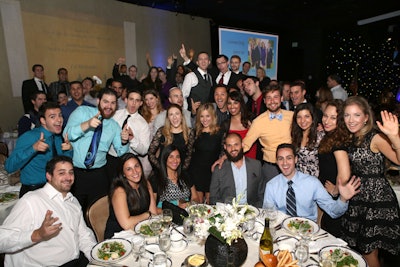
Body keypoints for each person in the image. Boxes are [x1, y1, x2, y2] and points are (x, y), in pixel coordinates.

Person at [0, 156, 96, 267]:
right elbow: (2, 239)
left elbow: (84, 235)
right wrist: (37, 235)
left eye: (71, 172)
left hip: (75, 261)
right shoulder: (32, 201)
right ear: (49, 176)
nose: (68, 177)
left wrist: (96, 257)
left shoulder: (72, 201)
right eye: (61, 173)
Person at [342, 96, 400, 266]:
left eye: (356, 115)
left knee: (368, 253)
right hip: (359, 199)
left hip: (376, 201)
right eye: (347, 115)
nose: (351, 120)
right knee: (360, 251)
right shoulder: (353, 137)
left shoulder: (374, 137)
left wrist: (394, 136)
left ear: (366, 117)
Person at [63, 88, 130, 213]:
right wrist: (87, 124)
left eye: (113, 103)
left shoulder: (114, 126)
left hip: (99, 175)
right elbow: (67, 134)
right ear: (98, 101)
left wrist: (125, 141)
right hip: (77, 174)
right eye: (106, 101)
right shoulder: (82, 112)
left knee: (99, 213)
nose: (109, 106)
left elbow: (122, 153)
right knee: (74, 213)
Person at [263, 143, 360, 222]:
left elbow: (333, 212)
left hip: (307, 232)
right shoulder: (271, 186)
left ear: (296, 159)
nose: (285, 163)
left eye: (289, 158)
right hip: (282, 231)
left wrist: (343, 199)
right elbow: (268, 216)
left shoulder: (312, 183)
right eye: (280, 159)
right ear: (276, 161)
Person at [6, 102, 72, 197]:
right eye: (53, 117)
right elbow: (9, 166)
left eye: (60, 115)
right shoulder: (30, 137)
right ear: (43, 121)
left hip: (54, 189)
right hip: (34, 191)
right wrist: (33, 148)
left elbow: (63, 164)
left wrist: (69, 150)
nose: (59, 120)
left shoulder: (57, 137)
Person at [242, 86, 293, 182]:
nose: (272, 101)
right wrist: (226, 156)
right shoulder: (258, 122)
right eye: (269, 98)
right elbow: (245, 144)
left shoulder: (292, 116)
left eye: (275, 97)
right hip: (271, 168)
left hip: (292, 166)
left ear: (281, 98)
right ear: (264, 101)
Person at [104, 153, 157, 239]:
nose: (135, 171)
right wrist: (147, 215)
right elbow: (126, 224)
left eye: (136, 166)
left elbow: (154, 213)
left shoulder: (146, 183)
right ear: (123, 173)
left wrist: (149, 215)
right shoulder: (119, 191)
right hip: (119, 236)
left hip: (139, 231)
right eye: (129, 169)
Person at [318, 99, 350, 237]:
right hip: (327, 195)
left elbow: (345, 173)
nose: (327, 121)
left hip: (334, 198)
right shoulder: (331, 136)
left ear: (341, 120)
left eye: (333, 118)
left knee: (333, 235)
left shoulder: (338, 142)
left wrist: (336, 190)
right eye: (325, 116)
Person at [210, 133, 264, 207]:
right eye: (229, 145)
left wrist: (255, 211)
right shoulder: (219, 169)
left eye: (236, 144)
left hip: (252, 212)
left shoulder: (256, 165)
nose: (233, 149)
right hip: (228, 212)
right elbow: (213, 198)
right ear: (225, 147)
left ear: (242, 145)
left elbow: (261, 194)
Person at [107, 89, 151, 180]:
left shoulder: (143, 124)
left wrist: (132, 138)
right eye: (131, 99)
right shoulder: (114, 115)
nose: (133, 103)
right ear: (126, 100)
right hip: (110, 159)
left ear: (141, 103)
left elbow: (144, 150)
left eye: (137, 100)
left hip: (130, 163)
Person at [189, 103, 223, 204]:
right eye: (202, 116)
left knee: (211, 204)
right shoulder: (195, 133)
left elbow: (224, 151)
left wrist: (221, 159)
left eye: (207, 116)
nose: (205, 119)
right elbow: (189, 153)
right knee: (198, 205)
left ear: (213, 116)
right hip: (197, 173)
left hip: (212, 173)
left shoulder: (220, 133)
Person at [149, 104, 195, 172]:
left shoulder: (189, 132)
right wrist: (162, 168)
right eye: (171, 114)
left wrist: (180, 171)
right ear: (168, 118)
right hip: (163, 174)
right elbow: (150, 153)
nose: (174, 117)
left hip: (181, 173)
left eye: (177, 114)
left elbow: (189, 155)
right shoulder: (161, 131)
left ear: (181, 116)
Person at [150, 144, 198, 210]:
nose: (175, 160)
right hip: (166, 217)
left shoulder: (185, 175)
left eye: (177, 157)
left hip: (187, 214)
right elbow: (153, 209)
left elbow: (196, 198)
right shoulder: (156, 179)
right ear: (165, 158)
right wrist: (175, 206)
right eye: (171, 157)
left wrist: (189, 204)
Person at [291, 103, 324, 177]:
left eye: (307, 116)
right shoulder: (296, 135)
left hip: (315, 181)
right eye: (299, 117)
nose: (303, 120)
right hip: (299, 180)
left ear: (312, 118)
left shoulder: (320, 136)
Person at [222, 90, 257, 159]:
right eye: (229, 103)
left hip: (253, 162)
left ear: (241, 104)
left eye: (235, 103)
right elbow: (223, 147)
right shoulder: (226, 124)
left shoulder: (251, 118)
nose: (232, 106)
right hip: (235, 161)